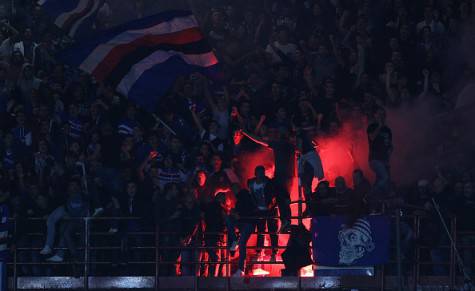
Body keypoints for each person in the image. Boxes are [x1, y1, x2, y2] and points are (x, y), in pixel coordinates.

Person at [241, 128, 293, 232]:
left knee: (280, 197)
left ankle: (285, 221)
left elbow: (260, 140)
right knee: (282, 198)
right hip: (290, 177)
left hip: (281, 177)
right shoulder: (291, 146)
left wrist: (246, 133)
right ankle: (285, 221)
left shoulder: (279, 144)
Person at [247, 166, 278, 261]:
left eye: (262, 172)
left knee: (272, 231)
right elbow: (251, 195)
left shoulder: (269, 183)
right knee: (260, 231)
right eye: (258, 173)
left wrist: (271, 205)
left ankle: (274, 253)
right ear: (255, 173)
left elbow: (274, 195)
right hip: (259, 210)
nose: (260, 175)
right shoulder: (251, 183)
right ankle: (259, 252)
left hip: (270, 210)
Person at [367, 107, 393, 205]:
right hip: (374, 159)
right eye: (379, 114)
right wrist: (380, 126)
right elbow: (372, 138)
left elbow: (390, 145)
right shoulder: (372, 127)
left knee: (380, 180)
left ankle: (374, 201)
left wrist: (389, 153)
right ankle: (369, 195)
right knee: (385, 178)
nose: (381, 116)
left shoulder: (388, 130)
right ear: (375, 115)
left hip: (384, 160)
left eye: (383, 114)